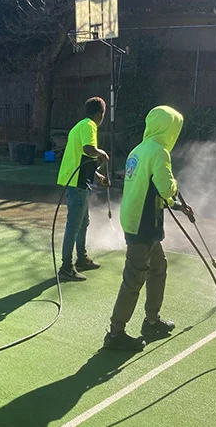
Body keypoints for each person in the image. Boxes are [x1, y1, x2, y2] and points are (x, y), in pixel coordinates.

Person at [103, 105, 194, 351]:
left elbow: (151, 189)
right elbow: (165, 188)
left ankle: (152, 320)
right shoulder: (159, 152)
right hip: (142, 224)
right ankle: (115, 333)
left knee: (158, 267)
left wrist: (176, 206)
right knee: (135, 277)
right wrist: (174, 187)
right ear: (169, 128)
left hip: (138, 220)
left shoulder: (138, 150)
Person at [56, 97, 110, 282]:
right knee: (74, 225)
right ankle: (66, 267)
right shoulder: (89, 126)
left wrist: (98, 176)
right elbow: (88, 149)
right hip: (77, 183)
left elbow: (83, 158)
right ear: (99, 114)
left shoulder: (79, 126)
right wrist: (102, 153)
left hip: (78, 181)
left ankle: (81, 258)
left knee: (83, 222)